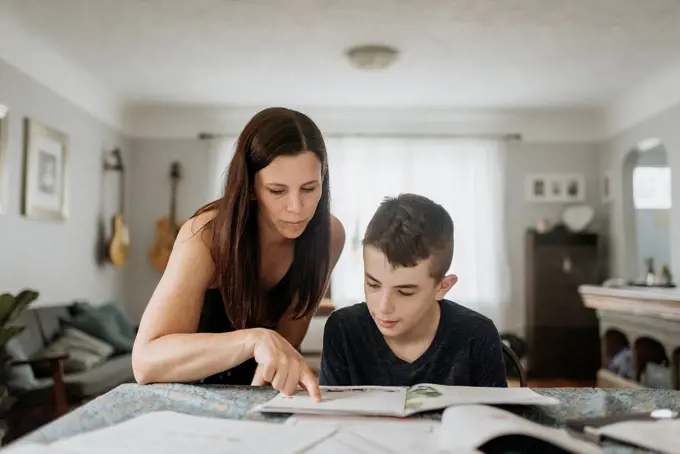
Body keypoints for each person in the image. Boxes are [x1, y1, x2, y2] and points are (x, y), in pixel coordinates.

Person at [132, 107, 346, 401]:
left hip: (254, 396)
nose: (296, 208)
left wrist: (257, 409)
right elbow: (145, 363)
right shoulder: (205, 235)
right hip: (183, 396)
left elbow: (285, 345)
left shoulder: (330, 236)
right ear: (252, 187)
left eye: (309, 188)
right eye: (277, 191)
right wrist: (253, 339)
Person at [319, 193, 507, 388]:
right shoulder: (343, 329)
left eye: (405, 292)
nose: (384, 307)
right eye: (373, 285)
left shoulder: (477, 334)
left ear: (442, 287)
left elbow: (496, 417)